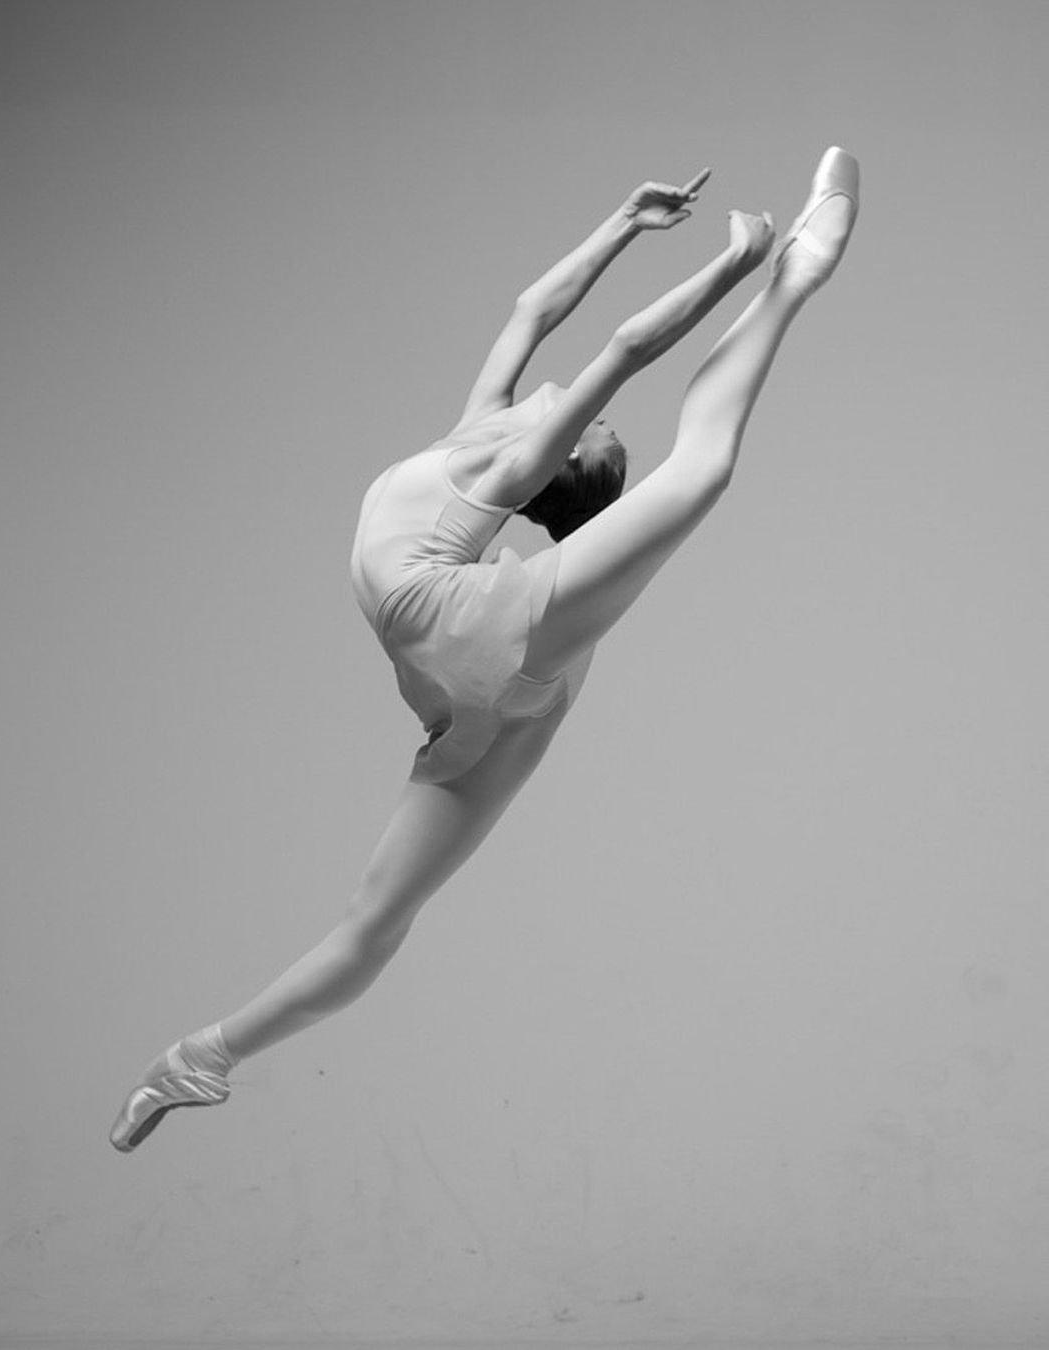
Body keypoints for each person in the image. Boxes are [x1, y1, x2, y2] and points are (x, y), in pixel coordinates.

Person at [110, 147, 859, 1152]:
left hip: (473, 639)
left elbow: (627, 347)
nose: (591, 411)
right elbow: (534, 310)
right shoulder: (478, 434)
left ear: (563, 459)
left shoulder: (498, 471)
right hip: (473, 684)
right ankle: (198, 1060)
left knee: (700, 473)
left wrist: (733, 265)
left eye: (594, 429)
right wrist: (625, 224)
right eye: (600, 425)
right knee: (375, 920)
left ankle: (793, 277)